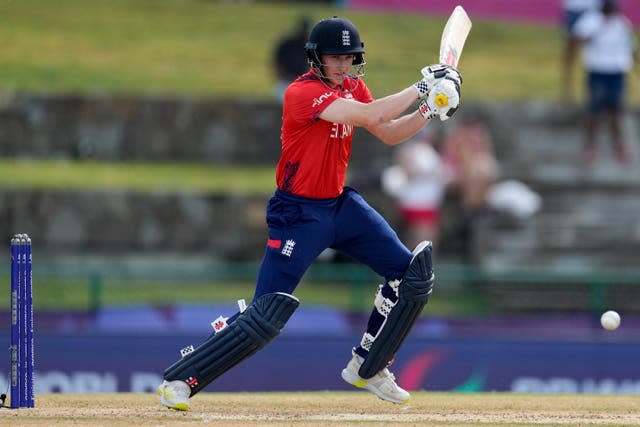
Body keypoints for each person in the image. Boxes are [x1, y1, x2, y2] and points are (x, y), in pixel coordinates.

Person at [158, 16, 462, 410]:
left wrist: (430, 110)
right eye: (334, 57)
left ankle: (369, 366)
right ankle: (180, 380)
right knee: (266, 314)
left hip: (339, 205)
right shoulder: (301, 93)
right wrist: (424, 86)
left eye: (348, 58)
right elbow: (370, 116)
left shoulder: (353, 85)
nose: (342, 65)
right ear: (316, 58)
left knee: (412, 277)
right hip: (298, 214)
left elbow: (387, 131)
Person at [572, 0, 637, 163]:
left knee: (616, 111)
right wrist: (596, 31)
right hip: (597, 70)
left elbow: (630, 47)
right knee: (594, 110)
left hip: (617, 71)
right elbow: (577, 39)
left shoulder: (621, 23)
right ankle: (589, 146)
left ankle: (619, 146)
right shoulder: (591, 21)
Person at [381, 129, 451, 250]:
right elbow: (408, 172)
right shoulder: (409, 150)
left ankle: (418, 265)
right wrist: (429, 174)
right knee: (423, 243)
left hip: (429, 204)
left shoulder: (430, 151)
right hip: (417, 204)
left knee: (424, 241)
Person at [440, 118, 498, 262]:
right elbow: (451, 177)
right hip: (453, 189)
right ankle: (473, 212)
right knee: (476, 173)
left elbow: (489, 173)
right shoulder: (456, 148)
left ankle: (474, 211)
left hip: (471, 190)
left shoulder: (480, 156)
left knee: (482, 170)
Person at [560, 0, 600, 101]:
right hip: (574, 9)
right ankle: (568, 90)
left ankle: (593, 91)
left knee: (597, 51)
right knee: (570, 52)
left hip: (594, 10)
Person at [272, 17, 312, 102]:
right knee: (283, 98)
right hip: (285, 82)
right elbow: (277, 63)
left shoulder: (311, 47)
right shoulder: (287, 44)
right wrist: (284, 76)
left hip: (303, 84)